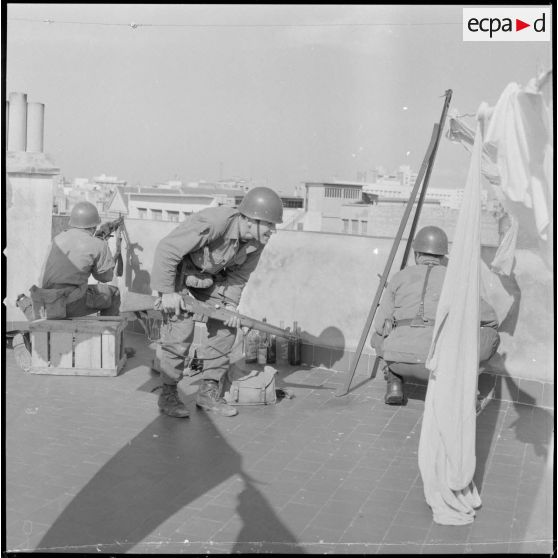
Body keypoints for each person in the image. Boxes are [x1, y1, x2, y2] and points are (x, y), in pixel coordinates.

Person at [150, 187, 283, 419]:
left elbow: (239, 276)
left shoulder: (257, 242)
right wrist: (167, 292)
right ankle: (168, 393)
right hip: (180, 275)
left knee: (227, 325)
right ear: (252, 220)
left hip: (210, 280)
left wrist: (230, 305)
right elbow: (167, 249)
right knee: (182, 328)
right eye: (270, 224)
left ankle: (208, 391)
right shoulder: (214, 222)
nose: (273, 230)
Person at [370, 225, 500, 406]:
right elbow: (490, 318)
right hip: (438, 365)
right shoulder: (455, 279)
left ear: (416, 254)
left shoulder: (399, 277)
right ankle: (466, 392)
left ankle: (394, 383)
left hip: (397, 361)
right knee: (490, 335)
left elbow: (379, 326)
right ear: (442, 256)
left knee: (377, 337)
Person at [13, 201, 124, 370]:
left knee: (51, 302)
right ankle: (108, 347)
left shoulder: (58, 238)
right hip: (68, 303)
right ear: (94, 226)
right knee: (113, 293)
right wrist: (102, 246)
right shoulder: (97, 244)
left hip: (44, 300)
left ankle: (27, 337)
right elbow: (105, 277)